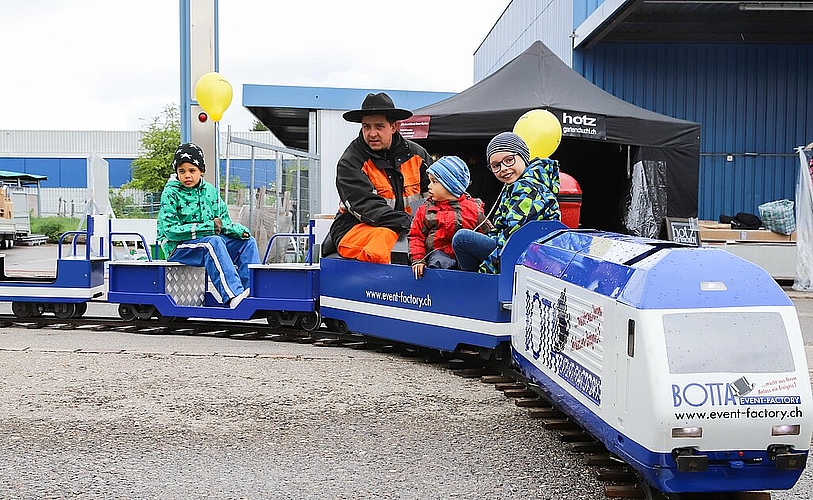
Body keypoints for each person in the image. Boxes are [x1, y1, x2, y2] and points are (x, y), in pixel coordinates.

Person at [324, 92, 431, 264]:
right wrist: (412, 224)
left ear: (394, 127)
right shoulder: (350, 162)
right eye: (366, 127)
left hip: (408, 228)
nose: (372, 133)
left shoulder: (418, 156)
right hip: (356, 228)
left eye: (379, 126)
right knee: (384, 241)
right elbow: (367, 208)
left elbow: (434, 196)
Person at [156, 142, 260, 308]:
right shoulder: (170, 193)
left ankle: (253, 291)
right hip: (178, 248)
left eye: (192, 170)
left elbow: (223, 221)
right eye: (182, 171)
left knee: (247, 243)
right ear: (176, 172)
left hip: (206, 243)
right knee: (213, 242)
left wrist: (239, 231)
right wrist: (208, 228)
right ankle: (233, 295)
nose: (187, 176)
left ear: (201, 171)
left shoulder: (210, 191)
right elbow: (170, 231)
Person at [452, 132, 560, 274]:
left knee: (462, 239)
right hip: (523, 250)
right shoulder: (515, 186)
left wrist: (484, 271)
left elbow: (512, 240)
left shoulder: (528, 188)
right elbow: (500, 230)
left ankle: (474, 287)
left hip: (530, 254)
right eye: (496, 165)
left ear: (523, 156)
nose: (503, 168)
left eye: (509, 160)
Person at [408, 155, 486, 278]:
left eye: (434, 182)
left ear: (450, 185)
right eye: (430, 181)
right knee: (439, 261)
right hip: (436, 261)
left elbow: (485, 235)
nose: (429, 186)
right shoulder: (424, 208)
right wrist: (418, 259)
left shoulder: (474, 209)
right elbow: (416, 236)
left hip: (464, 261)